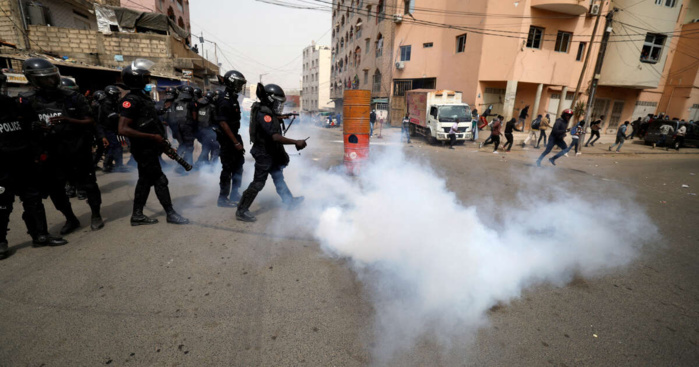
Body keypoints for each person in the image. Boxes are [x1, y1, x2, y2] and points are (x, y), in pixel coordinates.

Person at [21, 58, 104, 233]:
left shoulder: (73, 97)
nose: (50, 81)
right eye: (45, 79)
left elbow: (90, 120)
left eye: (52, 77)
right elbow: (22, 125)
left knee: (89, 184)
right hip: (50, 153)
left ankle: (96, 214)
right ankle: (70, 218)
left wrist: (68, 120)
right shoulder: (28, 101)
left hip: (77, 149)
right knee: (56, 190)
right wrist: (34, 127)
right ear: (33, 80)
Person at [1, 70, 68, 259]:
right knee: (2, 205)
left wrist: (38, 150)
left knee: (33, 200)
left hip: (23, 162)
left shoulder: (15, 105)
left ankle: (40, 235)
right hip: (1, 168)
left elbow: (33, 130)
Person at [117, 59, 189, 226]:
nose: (149, 80)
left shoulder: (143, 98)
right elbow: (123, 129)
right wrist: (152, 138)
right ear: (136, 79)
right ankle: (170, 213)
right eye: (146, 77)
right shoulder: (130, 101)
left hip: (151, 147)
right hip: (143, 149)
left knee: (144, 180)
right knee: (160, 180)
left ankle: (137, 215)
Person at [235, 83, 308, 222]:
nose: (279, 105)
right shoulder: (264, 113)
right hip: (264, 153)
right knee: (258, 183)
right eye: (278, 102)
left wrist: (281, 118)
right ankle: (241, 210)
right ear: (270, 99)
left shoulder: (266, 111)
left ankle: (289, 201)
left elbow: (270, 122)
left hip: (270, 151)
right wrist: (296, 142)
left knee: (278, 176)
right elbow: (274, 136)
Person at [214, 70, 247, 208]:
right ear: (232, 83)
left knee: (238, 167)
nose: (240, 87)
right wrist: (235, 142)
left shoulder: (232, 98)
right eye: (238, 84)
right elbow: (223, 123)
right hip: (228, 140)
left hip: (234, 136)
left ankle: (234, 193)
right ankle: (222, 198)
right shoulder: (224, 99)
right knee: (227, 169)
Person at [99, 85, 128, 173]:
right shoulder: (106, 103)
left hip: (112, 129)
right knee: (114, 147)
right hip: (108, 129)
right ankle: (114, 165)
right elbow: (113, 116)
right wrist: (122, 116)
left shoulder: (112, 102)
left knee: (113, 147)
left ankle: (110, 165)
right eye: (116, 94)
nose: (117, 96)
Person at [172, 85, 198, 174]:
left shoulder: (176, 102)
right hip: (187, 127)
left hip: (177, 127)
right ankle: (181, 166)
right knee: (189, 147)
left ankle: (188, 164)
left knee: (182, 145)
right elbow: (194, 117)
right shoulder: (191, 103)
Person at [194, 90, 220, 168]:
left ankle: (201, 164)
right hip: (210, 130)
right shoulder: (212, 107)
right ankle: (213, 165)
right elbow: (216, 120)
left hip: (201, 131)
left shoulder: (199, 106)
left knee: (206, 147)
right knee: (215, 147)